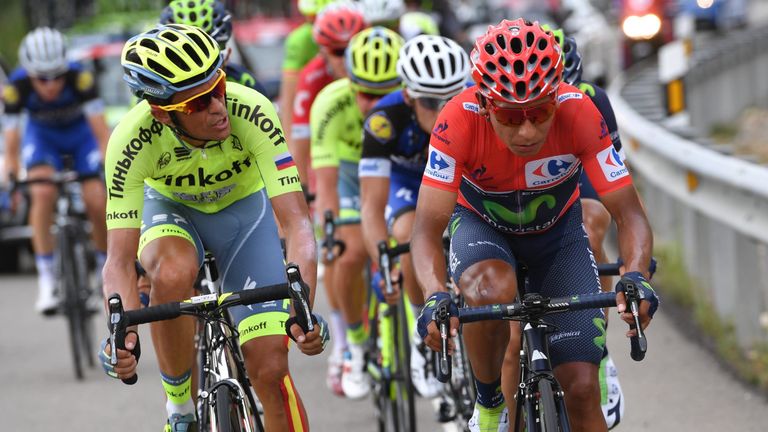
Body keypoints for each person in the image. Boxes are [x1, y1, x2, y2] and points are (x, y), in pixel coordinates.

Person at [411, 19, 659, 432]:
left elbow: (628, 212)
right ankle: (489, 404)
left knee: (581, 389)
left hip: (557, 236)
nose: (526, 130)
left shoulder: (580, 111)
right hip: (482, 225)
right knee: (489, 290)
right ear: (487, 104)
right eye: (510, 116)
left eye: (541, 111)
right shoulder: (457, 119)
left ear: (557, 98)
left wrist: (635, 274)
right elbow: (425, 228)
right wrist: (435, 295)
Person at [99, 24, 326, 432]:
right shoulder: (130, 141)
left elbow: (298, 226)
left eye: (218, 87)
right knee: (171, 272)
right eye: (198, 104)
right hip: (170, 212)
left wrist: (303, 307)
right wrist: (122, 332)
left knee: (271, 370)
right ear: (161, 113)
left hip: (243, 216)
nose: (218, 106)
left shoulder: (253, 109)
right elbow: (118, 260)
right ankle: (180, 406)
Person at [359, 34, 469, 398]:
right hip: (408, 182)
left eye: (450, 98)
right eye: (428, 101)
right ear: (407, 94)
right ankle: (422, 328)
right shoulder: (383, 121)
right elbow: (372, 206)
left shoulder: (476, 107)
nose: (441, 111)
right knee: (408, 237)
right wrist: (383, 261)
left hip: (457, 177)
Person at [310, 26, 404, 399]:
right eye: (364, 93)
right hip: (350, 174)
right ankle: (356, 342)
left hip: (396, 169)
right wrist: (330, 235)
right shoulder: (329, 103)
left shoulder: (411, 106)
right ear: (348, 80)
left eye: (383, 94)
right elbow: (327, 185)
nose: (371, 104)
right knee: (348, 254)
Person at [289, 0, 368, 396]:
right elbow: (298, 145)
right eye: (337, 51)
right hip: (328, 164)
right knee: (337, 251)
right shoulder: (312, 79)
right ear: (323, 51)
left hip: (365, 164)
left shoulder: (373, 69)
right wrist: (307, 197)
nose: (346, 56)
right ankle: (343, 343)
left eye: (352, 45)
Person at [2, 27, 110, 314]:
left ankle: (104, 271)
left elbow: (101, 133)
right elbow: (12, 141)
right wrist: (11, 176)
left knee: (96, 199)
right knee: (42, 191)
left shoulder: (81, 77)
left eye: (57, 76)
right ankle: (47, 279)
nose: (50, 85)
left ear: (66, 69)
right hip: (43, 138)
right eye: (42, 78)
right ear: (29, 74)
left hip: (80, 135)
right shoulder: (17, 86)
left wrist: (109, 167)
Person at [159, 0, 269, 96]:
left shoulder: (245, 82)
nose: (200, 75)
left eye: (212, 59)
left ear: (227, 55)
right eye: (184, 62)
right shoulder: (156, 90)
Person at [279, 0, 338, 177]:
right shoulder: (300, 39)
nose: (315, 25)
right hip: (313, 117)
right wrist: (290, 157)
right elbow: (290, 100)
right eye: (311, 19)